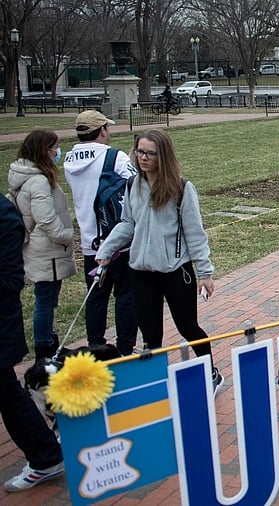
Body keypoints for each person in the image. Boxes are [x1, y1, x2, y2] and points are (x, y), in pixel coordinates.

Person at [95, 130, 224, 393]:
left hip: (175, 271)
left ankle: (211, 373)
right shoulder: (132, 185)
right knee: (151, 335)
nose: (143, 158)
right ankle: (156, 385)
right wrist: (106, 249)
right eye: (139, 152)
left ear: (162, 156)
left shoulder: (182, 188)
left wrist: (205, 273)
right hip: (141, 271)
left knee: (188, 327)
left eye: (150, 154)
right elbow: (127, 224)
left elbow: (195, 233)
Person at [0, 195, 65, 493]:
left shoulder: (4, 216)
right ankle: (46, 455)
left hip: (2, 323)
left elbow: (11, 280)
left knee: (7, 392)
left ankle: (46, 457)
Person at [64, 110, 138, 355]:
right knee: (125, 295)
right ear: (102, 130)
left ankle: (95, 346)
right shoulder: (114, 157)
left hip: (90, 240)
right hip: (119, 239)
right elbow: (136, 184)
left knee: (96, 296)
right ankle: (125, 347)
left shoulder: (69, 161)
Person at [7, 130, 77, 360]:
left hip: (41, 247)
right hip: (46, 249)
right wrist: (66, 236)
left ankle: (49, 340)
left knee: (47, 299)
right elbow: (46, 219)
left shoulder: (27, 175)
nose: (58, 152)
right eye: (55, 148)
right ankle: (45, 347)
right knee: (45, 301)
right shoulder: (38, 182)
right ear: (45, 151)